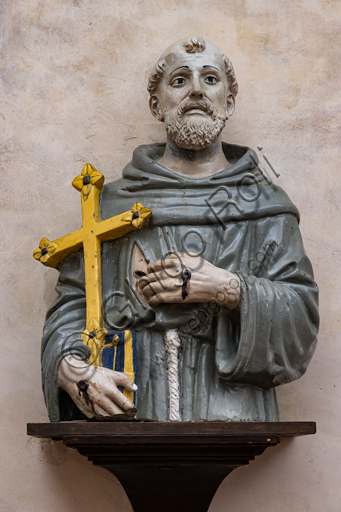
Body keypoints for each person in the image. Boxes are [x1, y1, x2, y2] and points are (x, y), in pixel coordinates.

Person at [43, 37, 319, 422]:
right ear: (157, 104)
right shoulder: (111, 206)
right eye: (178, 80)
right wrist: (72, 370)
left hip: (230, 408)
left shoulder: (262, 204)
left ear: (229, 101)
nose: (195, 91)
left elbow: (300, 315)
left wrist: (226, 287)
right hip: (132, 406)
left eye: (210, 79)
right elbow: (74, 305)